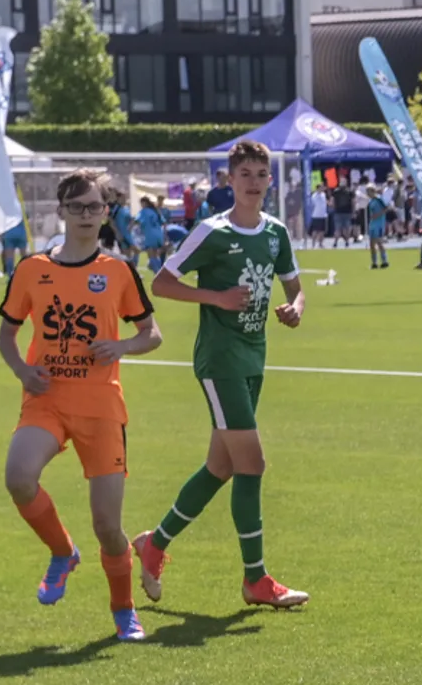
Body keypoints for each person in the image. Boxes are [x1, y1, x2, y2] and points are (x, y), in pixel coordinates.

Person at [131, 139, 309, 611]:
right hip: (220, 360)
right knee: (253, 465)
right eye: (244, 174)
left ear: (270, 181)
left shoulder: (275, 233)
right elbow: (161, 283)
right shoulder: (210, 231)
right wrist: (217, 298)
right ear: (229, 181)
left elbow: (295, 286)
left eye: (260, 175)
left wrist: (295, 308)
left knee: (221, 467)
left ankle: (154, 544)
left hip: (254, 358)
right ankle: (256, 580)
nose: (253, 183)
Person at [0, 169, 162, 642]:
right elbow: (6, 335)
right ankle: (62, 552)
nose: (86, 215)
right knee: (18, 477)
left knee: (108, 526)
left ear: (106, 212)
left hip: (101, 408)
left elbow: (152, 333)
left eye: (95, 207)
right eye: (77, 207)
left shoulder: (117, 271)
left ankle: (123, 610)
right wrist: (22, 371)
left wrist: (122, 347)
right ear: (61, 212)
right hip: (46, 402)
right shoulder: (32, 269)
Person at [138, 195, 167, 272]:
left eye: (141, 204)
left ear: (144, 203)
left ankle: (158, 274)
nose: (141, 205)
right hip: (158, 234)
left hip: (150, 235)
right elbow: (164, 223)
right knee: (155, 254)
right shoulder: (155, 211)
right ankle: (159, 270)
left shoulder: (143, 211)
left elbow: (136, 220)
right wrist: (164, 235)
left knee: (151, 255)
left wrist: (129, 228)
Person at [364, 186, 389, 269]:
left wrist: (377, 215)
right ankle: (374, 263)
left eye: (368, 192)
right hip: (373, 223)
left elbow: (386, 208)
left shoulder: (379, 199)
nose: (367, 194)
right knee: (372, 243)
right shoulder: (371, 201)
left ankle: (384, 261)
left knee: (379, 242)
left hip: (379, 223)